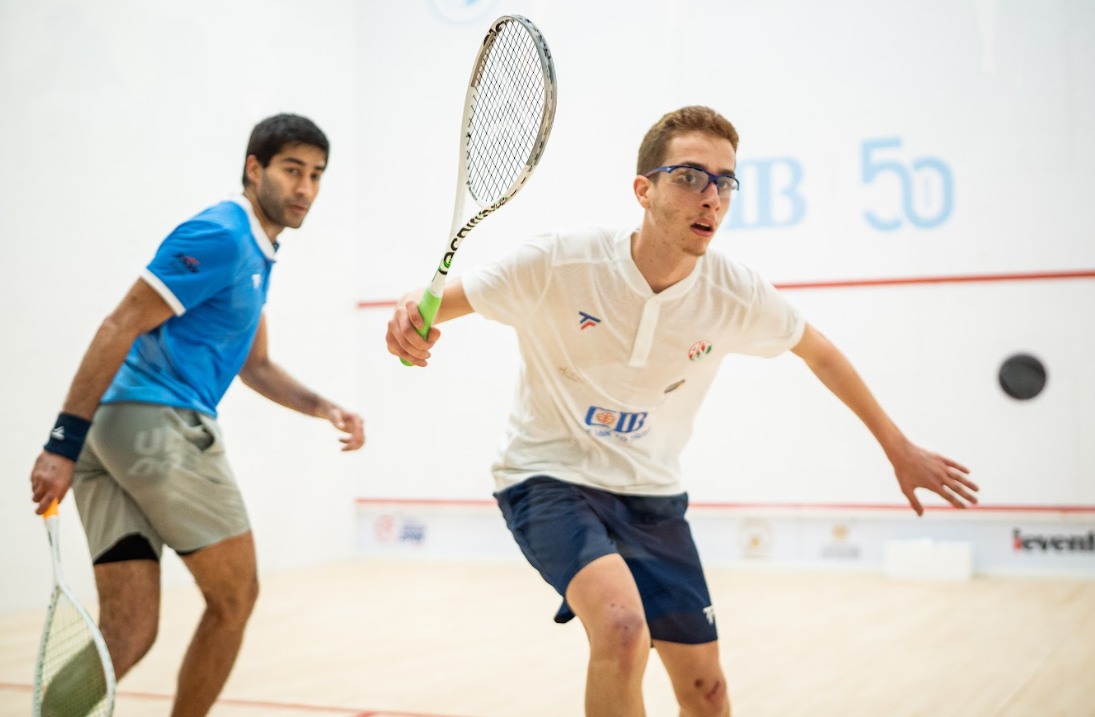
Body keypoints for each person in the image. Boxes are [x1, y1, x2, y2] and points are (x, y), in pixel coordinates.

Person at [385, 105, 979, 717]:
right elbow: (429, 307)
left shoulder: (734, 292)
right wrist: (409, 323)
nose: (711, 197)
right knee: (621, 631)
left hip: (652, 495)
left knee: (706, 693)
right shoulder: (559, 263)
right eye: (691, 176)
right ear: (643, 190)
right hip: (548, 477)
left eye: (725, 182)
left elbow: (820, 352)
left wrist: (898, 447)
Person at [29, 113, 365, 717]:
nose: (305, 189)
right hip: (157, 431)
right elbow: (119, 323)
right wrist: (60, 442)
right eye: (292, 170)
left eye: (316, 175)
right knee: (236, 599)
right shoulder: (221, 235)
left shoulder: (256, 253)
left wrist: (324, 407)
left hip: (113, 438)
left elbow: (255, 364)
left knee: (128, 630)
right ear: (254, 168)